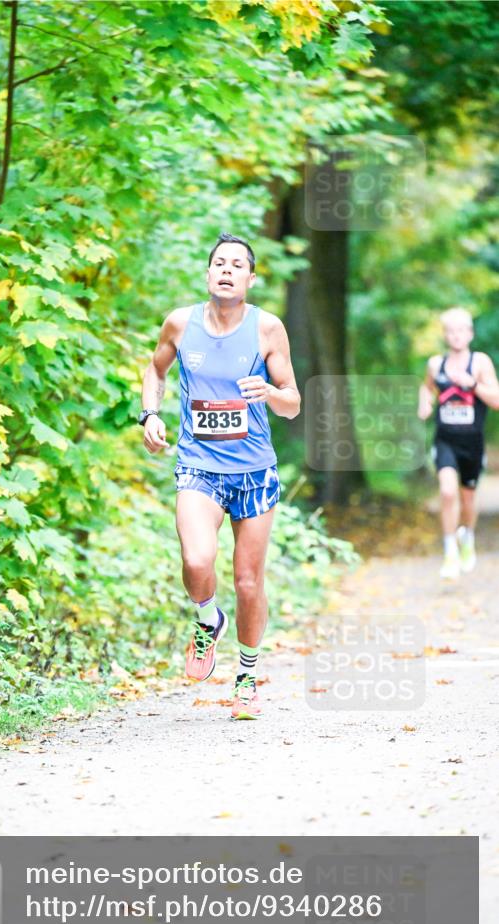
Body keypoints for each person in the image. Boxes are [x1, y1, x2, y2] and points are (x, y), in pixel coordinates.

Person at [139, 233, 300, 720]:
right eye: (219, 263)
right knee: (196, 559)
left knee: (249, 583)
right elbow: (155, 370)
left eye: (237, 265)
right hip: (198, 466)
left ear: (251, 278)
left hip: (254, 472)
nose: (227, 270)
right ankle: (208, 618)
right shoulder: (180, 323)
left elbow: (293, 403)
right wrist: (150, 414)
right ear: (208, 274)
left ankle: (247, 678)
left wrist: (269, 393)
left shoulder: (267, 329)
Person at [418, 307, 499, 579]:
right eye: (451, 331)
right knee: (447, 492)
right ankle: (450, 552)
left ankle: (468, 537)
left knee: (468, 499)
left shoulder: (480, 363)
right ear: (445, 335)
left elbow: (497, 400)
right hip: (445, 441)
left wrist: (472, 385)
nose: (456, 335)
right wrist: (424, 403)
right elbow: (426, 387)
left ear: (470, 334)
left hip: (472, 443)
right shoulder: (435, 364)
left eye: (461, 330)